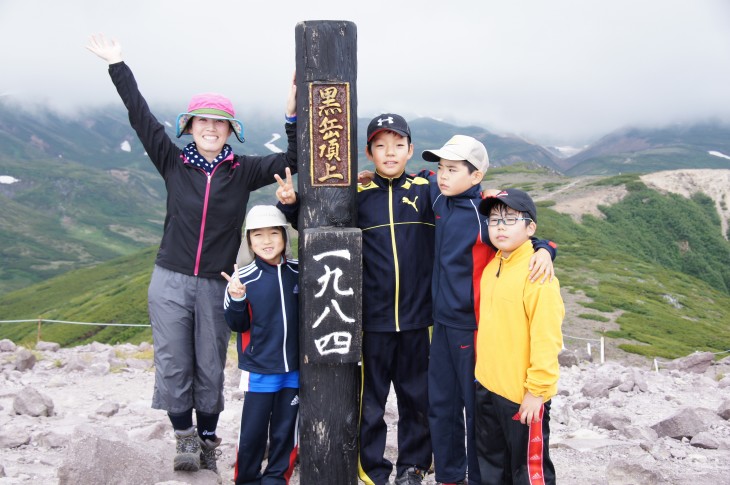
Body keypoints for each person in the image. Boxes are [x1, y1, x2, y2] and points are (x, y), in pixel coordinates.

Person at [86, 34, 298, 473]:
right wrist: (117, 65)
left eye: (219, 123)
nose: (210, 128)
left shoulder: (244, 171)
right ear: (190, 126)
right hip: (170, 277)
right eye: (202, 121)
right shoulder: (172, 160)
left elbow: (296, 156)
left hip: (217, 282)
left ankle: (206, 439)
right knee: (172, 361)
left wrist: (292, 114)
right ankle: (183, 436)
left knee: (209, 365)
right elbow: (139, 118)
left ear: (230, 131)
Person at [275, 114, 434, 485]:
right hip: (372, 320)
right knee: (371, 404)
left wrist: (540, 246)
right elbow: (320, 225)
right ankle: (373, 471)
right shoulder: (357, 195)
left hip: (416, 319)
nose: (390, 153)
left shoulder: (427, 193)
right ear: (368, 152)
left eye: (398, 145)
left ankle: (411, 467)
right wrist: (290, 206)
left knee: (417, 401)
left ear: (410, 150)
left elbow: (469, 215)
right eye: (380, 145)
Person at [421, 135, 556, 485]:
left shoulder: (483, 214)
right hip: (441, 324)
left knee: (476, 413)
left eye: (452, 169)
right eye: (441, 168)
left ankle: (481, 476)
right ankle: (450, 476)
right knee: (441, 404)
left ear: (476, 175)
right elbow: (420, 175)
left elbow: (520, 234)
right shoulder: (437, 193)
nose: (443, 175)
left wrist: (545, 248)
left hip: (471, 327)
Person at [475, 189, 564, 485]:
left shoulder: (538, 275)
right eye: (494, 219)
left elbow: (547, 338)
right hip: (488, 386)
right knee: (492, 468)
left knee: (528, 472)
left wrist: (536, 392)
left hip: (521, 398)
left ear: (530, 228)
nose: (500, 226)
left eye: (511, 219)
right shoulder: (493, 265)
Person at [222, 205, 300, 485]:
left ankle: (277, 477)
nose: (266, 241)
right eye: (258, 235)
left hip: (294, 369)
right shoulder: (243, 278)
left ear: (284, 237)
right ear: (249, 241)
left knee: (286, 428)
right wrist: (237, 297)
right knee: (253, 431)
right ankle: (246, 478)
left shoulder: (299, 272)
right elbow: (236, 324)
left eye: (273, 234)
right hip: (259, 370)